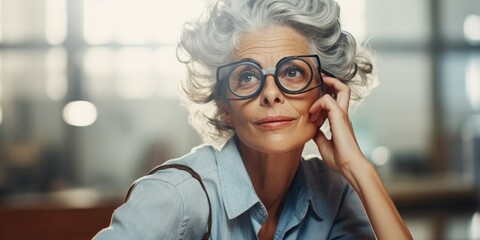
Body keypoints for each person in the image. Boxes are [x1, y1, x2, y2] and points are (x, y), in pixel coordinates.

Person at [95, 0, 413, 239]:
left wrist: (357, 167)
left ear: (323, 92)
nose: (271, 94)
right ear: (224, 107)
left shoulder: (334, 192)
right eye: (247, 76)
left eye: (292, 72)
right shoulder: (174, 195)